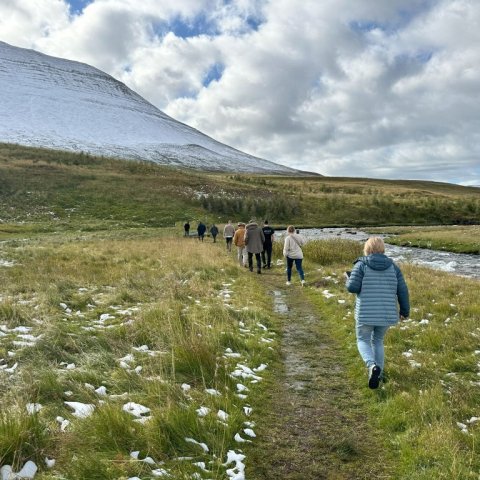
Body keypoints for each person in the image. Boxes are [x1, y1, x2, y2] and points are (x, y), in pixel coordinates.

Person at [345, 236, 410, 389]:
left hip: (365, 313)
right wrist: (405, 311)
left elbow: (352, 287)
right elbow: (403, 291)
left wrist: (348, 279)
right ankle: (378, 375)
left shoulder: (361, 265)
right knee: (378, 341)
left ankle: (371, 366)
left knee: (362, 340)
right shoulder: (393, 267)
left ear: (367, 249)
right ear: (382, 249)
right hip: (386, 313)